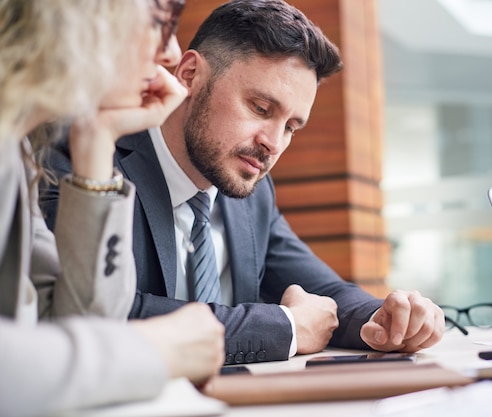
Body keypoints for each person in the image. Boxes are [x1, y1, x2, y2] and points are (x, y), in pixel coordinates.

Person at [39, 0, 445, 365]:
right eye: (260, 107)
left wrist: (387, 319)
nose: (272, 143)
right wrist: (283, 327)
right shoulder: (82, 156)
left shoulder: (250, 191)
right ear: (191, 73)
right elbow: (100, 314)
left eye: (291, 127)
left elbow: (325, 291)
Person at [0, 0, 224, 416]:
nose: (172, 53)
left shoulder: (18, 151)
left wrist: (97, 142)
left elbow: (78, 325)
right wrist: (151, 349)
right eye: (161, 23)